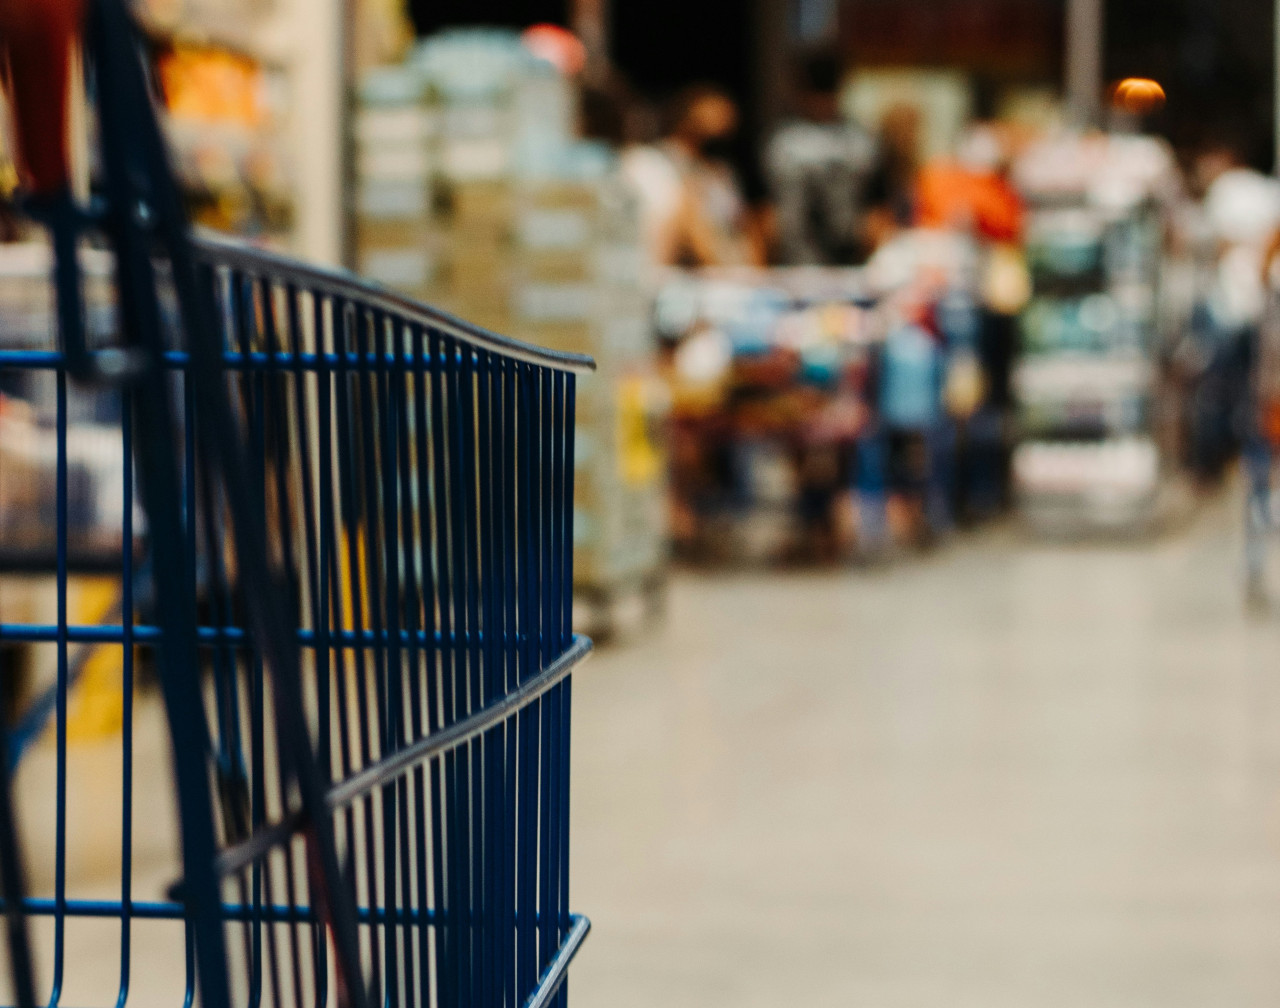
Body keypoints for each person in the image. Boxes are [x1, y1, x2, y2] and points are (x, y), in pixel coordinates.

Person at [620, 84, 759, 267]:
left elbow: (741, 225)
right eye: (712, 115)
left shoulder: (721, 169)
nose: (722, 125)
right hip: (691, 269)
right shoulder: (657, 163)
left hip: (731, 266)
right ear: (687, 117)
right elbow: (688, 225)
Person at [763, 49, 878, 266]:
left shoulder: (860, 141)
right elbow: (765, 216)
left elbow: (876, 215)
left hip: (849, 264)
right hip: (795, 264)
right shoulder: (782, 142)